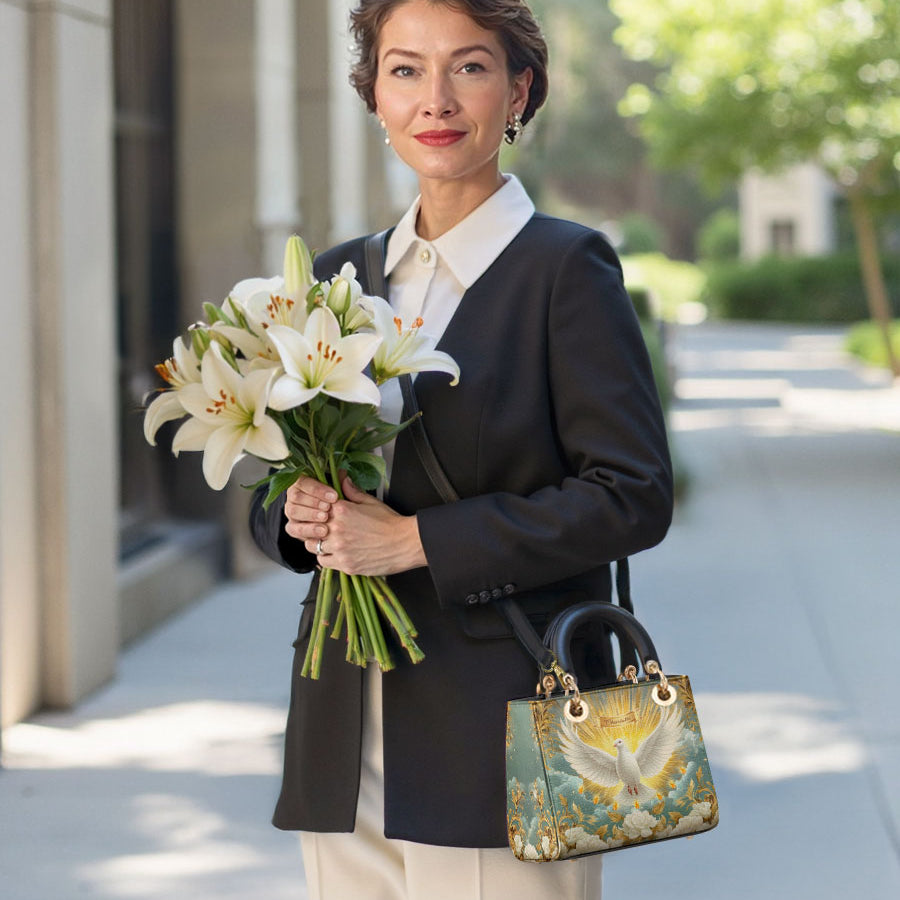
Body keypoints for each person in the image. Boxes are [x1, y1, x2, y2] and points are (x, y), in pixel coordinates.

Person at [249, 1, 673, 897]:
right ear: (374, 97)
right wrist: (298, 516)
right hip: (341, 726)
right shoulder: (336, 276)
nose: (435, 98)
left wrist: (416, 543)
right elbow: (277, 476)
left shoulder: (566, 269)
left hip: (504, 729)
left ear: (519, 90)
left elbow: (632, 494)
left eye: (468, 67)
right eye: (405, 69)